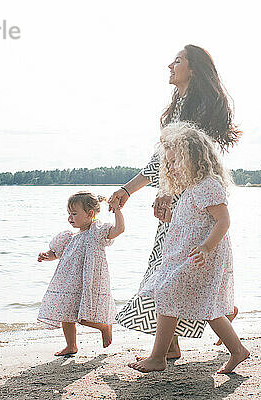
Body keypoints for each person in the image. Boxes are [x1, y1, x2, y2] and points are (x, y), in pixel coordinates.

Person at [109, 44, 241, 358]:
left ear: (193, 69)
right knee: (167, 269)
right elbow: (161, 160)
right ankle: (181, 338)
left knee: (168, 271)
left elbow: (190, 159)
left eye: (178, 60)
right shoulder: (178, 108)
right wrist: (130, 190)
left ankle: (203, 323)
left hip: (190, 199)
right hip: (179, 195)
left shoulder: (197, 109)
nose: (170, 64)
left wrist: (163, 192)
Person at [128, 122, 249, 373]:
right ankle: (238, 351)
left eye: (175, 162)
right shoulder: (190, 188)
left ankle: (158, 357)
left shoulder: (207, 185)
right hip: (185, 256)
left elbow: (223, 221)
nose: (170, 168)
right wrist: (170, 219)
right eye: (168, 163)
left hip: (200, 257)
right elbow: (193, 220)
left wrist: (206, 248)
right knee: (206, 307)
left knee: (169, 294)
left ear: (194, 160)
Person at [37, 191, 124, 356]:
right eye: (69, 213)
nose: (70, 217)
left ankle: (104, 326)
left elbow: (119, 229)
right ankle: (71, 346)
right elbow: (56, 253)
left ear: (90, 214)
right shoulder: (69, 237)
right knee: (66, 315)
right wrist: (46, 256)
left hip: (88, 281)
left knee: (84, 318)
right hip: (68, 283)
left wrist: (117, 211)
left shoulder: (96, 232)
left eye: (74, 214)